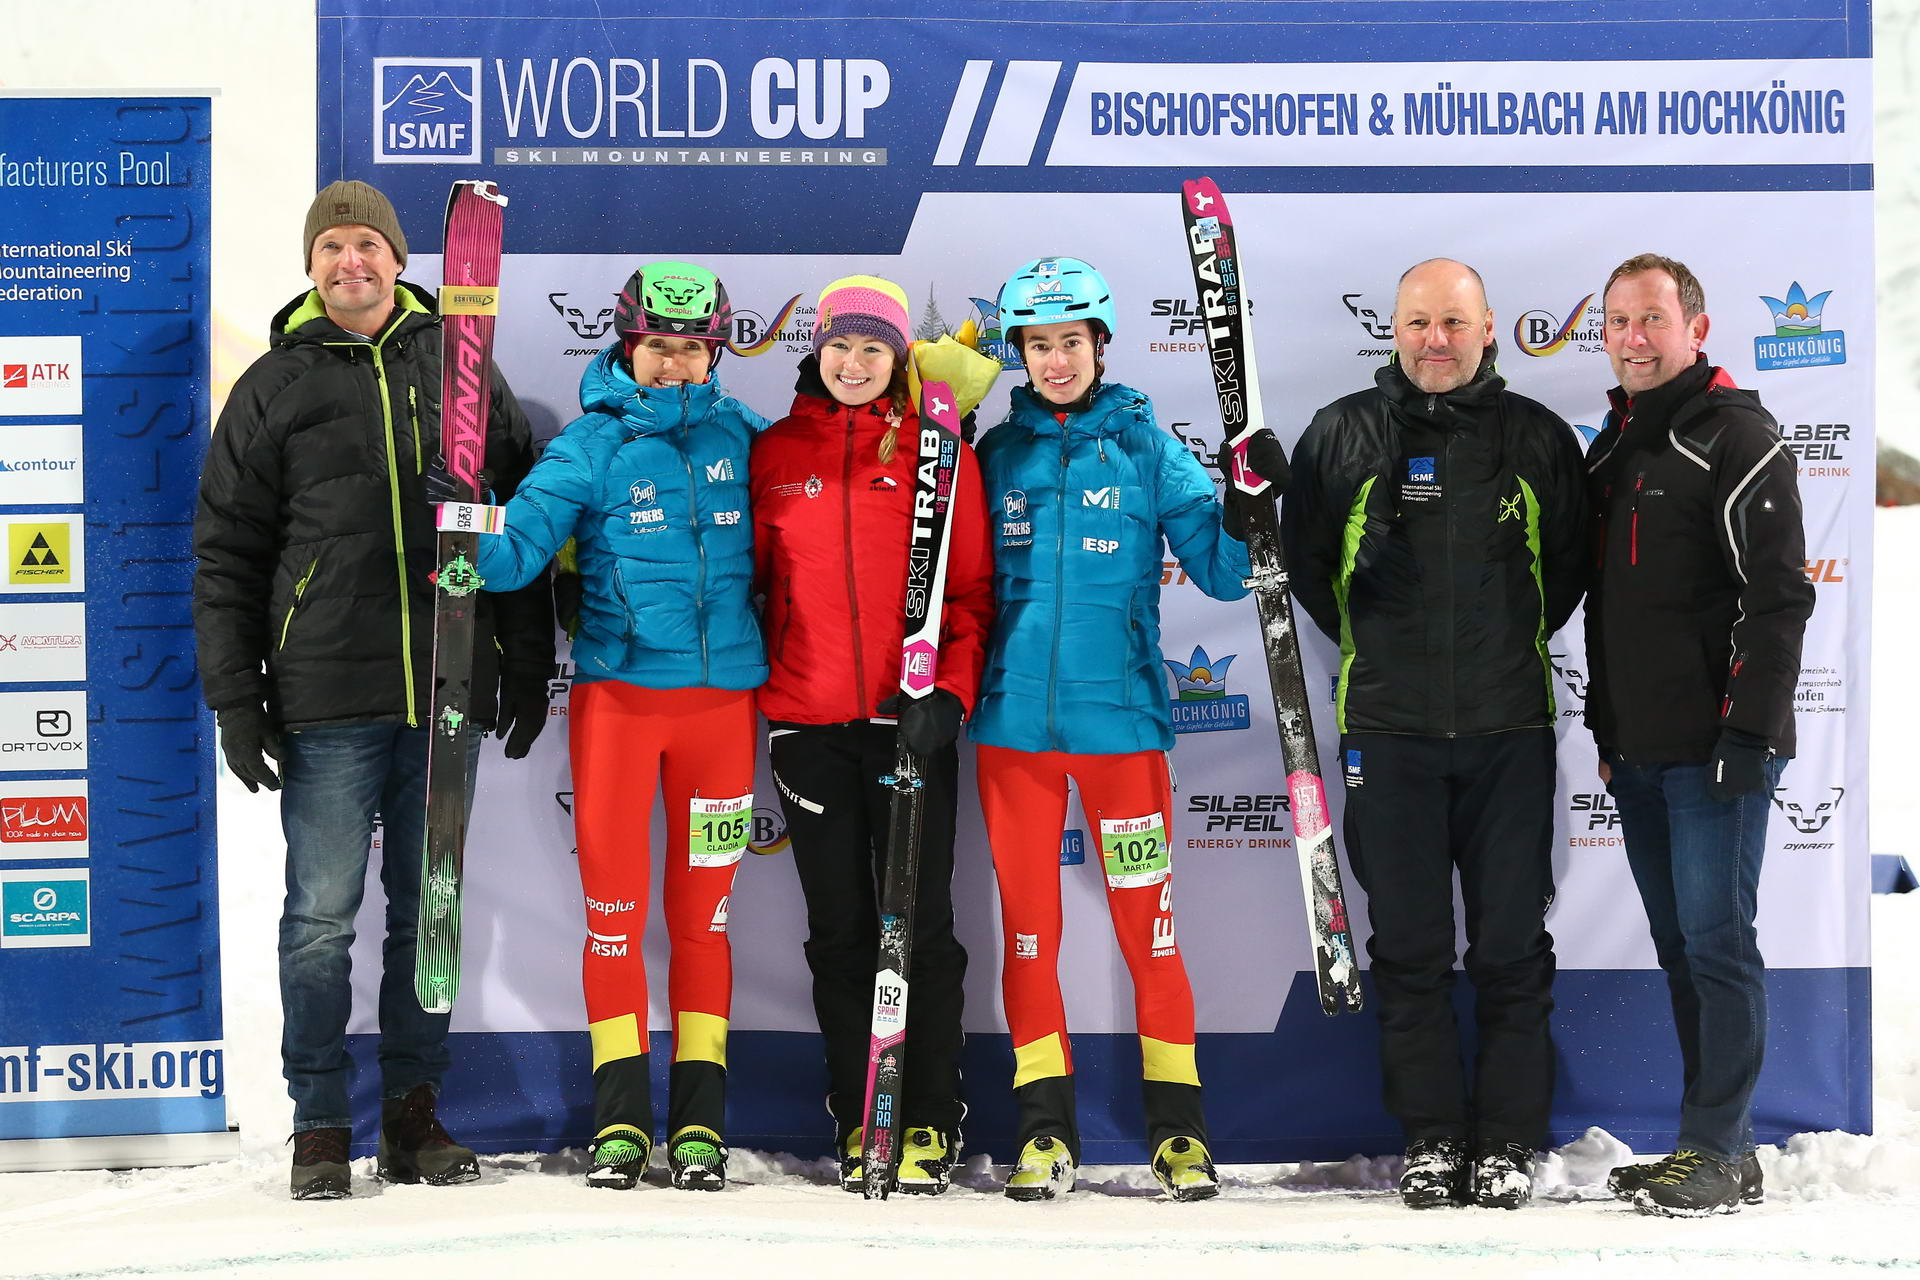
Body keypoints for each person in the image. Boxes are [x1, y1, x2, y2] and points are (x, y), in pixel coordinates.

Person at [193, 180, 553, 1201]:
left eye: (368, 244)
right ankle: (317, 1120)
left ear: (400, 259)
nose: (351, 260)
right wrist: (238, 695)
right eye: (332, 246)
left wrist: (521, 659)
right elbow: (226, 551)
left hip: (445, 688)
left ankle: (413, 1112)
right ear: (312, 263)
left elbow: (519, 524)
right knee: (319, 915)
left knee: (428, 910)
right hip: (328, 692)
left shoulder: (464, 371)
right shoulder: (274, 385)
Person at [970, 256, 1283, 1203]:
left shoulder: (1149, 448)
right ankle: (1043, 1134)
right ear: (1019, 353)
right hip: (1013, 731)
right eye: (1037, 344)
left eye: (1070, 342)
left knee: (1150, 932)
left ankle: (1180, 1134)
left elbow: (1230, 575)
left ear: (1100, 344)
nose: (1055, 360)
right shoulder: (994, 455)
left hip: (1124, 732)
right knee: (1029, 933)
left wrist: (1255, 505)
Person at [1281, 258, 1587, 1210]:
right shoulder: (1340, 433)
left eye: (1453, 322)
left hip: (1507, 733)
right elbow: (1310, 574)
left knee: (1509, 948)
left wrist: (1495, 657)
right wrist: (1388, 651)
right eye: (1418, 322)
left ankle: (1504, 1142)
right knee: (1408, 948)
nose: (1435, 341)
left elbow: (1565, 576)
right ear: (1396, 328)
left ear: (1489, 327)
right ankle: (1431, 1138)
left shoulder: (1535, 437)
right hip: (1389, 734)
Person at [472, 262, 768, 1192]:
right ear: (625, 344)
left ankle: (699, 1128)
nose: (674, 364)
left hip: (724, 713)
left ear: (715, 350)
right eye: (657, 347)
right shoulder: (589, 447)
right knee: (614, 918)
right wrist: (452, 504)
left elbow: (837, 500)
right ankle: (620, 1124)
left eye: (692, 348)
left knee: (704, 920)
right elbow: (511, 555)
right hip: (618, 712)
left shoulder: (748, 438)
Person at [751, 275, 997, 1196]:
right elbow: (750, 581)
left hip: (911, 726)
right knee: (841, 932)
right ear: (816, 353)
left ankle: (928, 1117)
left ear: (898, 361)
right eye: (838, 348)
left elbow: (970, 593)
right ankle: (863, 1118)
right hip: (808, 726)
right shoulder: (772, 452)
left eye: (873, 350)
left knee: (921, 927)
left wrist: (951, 695)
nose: (852, 365)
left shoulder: (941, 455)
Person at [1584, 253, 1814, 1218]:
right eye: (1619, 322)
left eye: (1653, 320)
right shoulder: (1616, 447)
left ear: (1697, 329)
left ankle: (1723, 1148)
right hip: (1638, 751)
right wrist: (1608, 726)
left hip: (1719, 750)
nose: (1636, 338)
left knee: (1719, 945)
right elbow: (1612, 608)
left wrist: (1749, 733)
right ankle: (1707, 1148)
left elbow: (1779, 598)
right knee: (1683, 946)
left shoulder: (1738, 439)